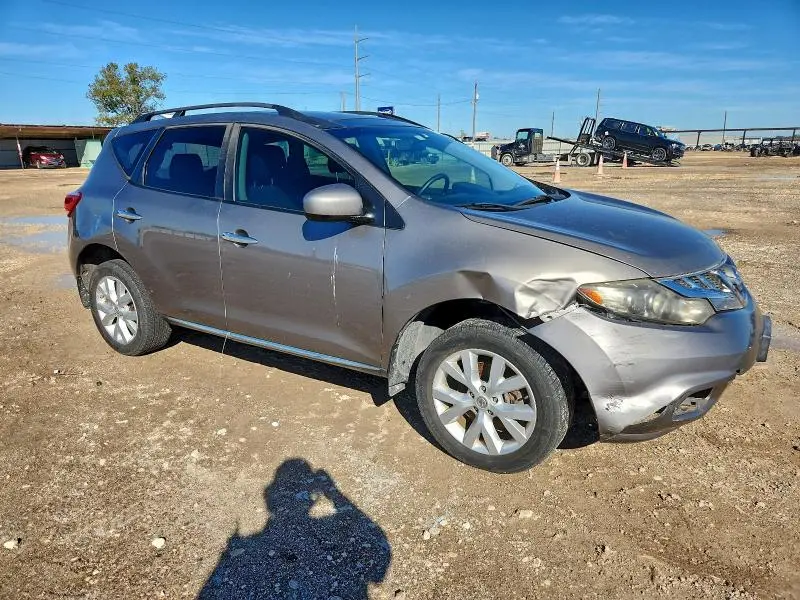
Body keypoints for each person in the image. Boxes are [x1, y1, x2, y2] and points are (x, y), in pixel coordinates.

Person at [198, 458, 390, 599]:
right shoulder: (242, 549)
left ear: (268, 494)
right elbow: (379, 558)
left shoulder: (240, 550)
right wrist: (334, 494)